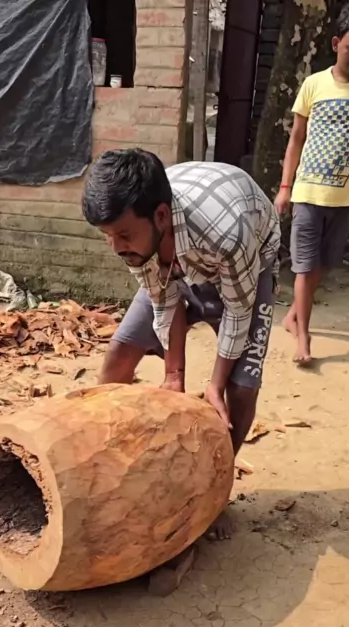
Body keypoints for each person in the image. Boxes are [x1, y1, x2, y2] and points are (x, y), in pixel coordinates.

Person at [82, 149, 281, 538]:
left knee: (241, 388)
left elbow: (238, 312)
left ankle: (212, 491)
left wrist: (215, 386)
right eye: (108, 236)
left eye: (123, 235)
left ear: (160, 216)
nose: (116, 247)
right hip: (176, 254)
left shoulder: (228, 233)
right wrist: (174, 375)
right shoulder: (136, 238)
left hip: (248, 265)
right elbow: (164, 298)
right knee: (120, 352)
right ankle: (102, 462)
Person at [275, 0, 349, 366]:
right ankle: (304, 336)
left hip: (345, 197)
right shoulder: (314, 84)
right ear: (336, 44)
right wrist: (285, 188)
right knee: (303, 266)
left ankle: (293, 316)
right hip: (308, 193)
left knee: (322, 265)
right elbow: (296, 139)